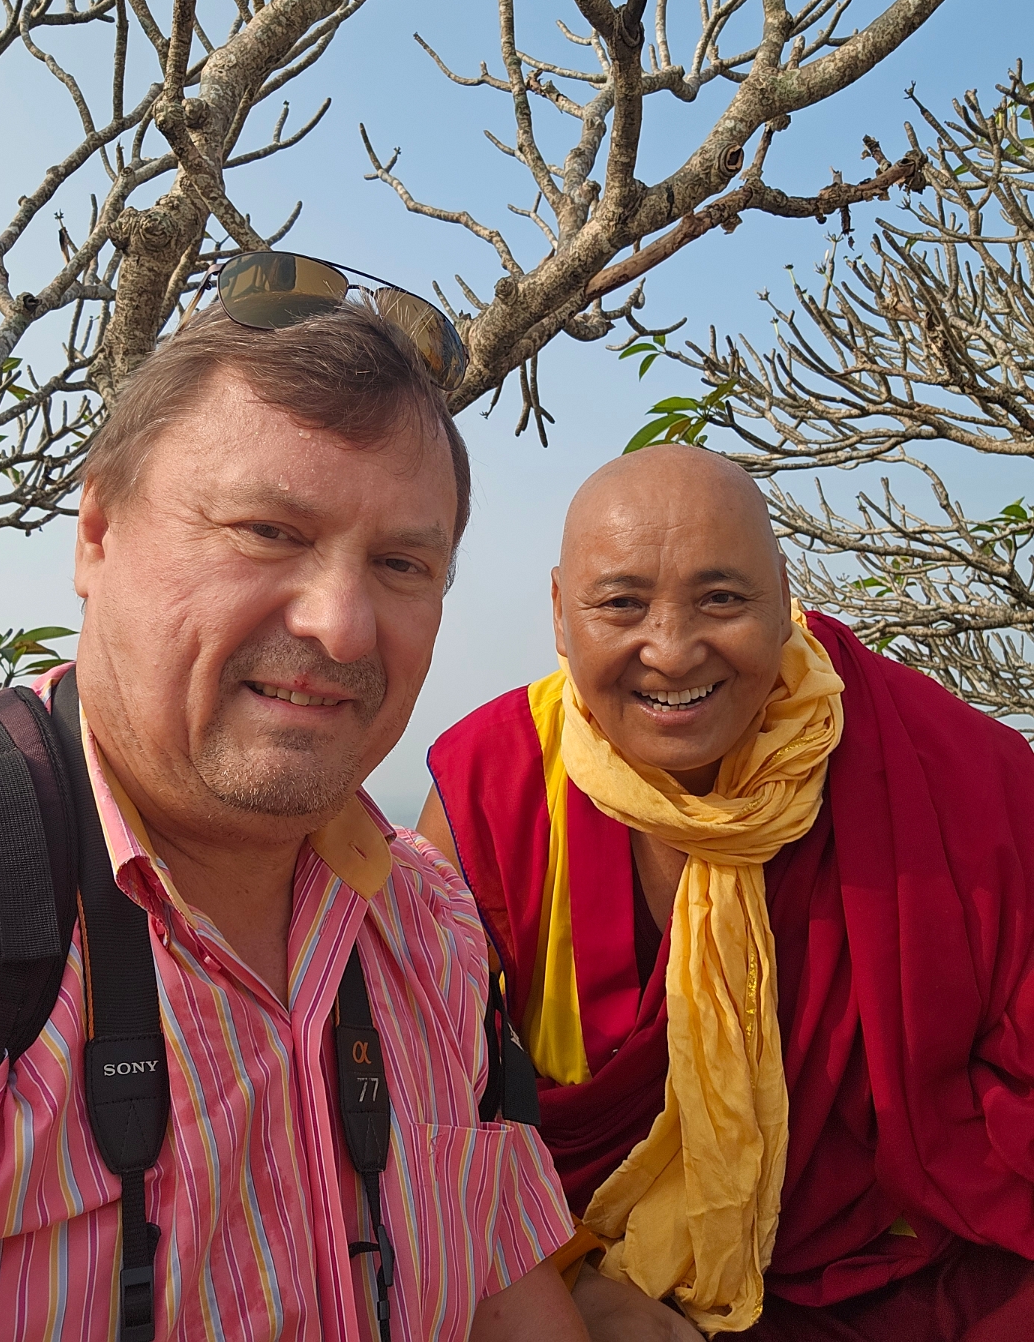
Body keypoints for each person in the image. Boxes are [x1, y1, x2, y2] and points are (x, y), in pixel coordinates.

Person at [0, 297, 585, 1340]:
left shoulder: (430, 925)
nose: (342, 626)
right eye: (269, 533)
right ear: (96, 533)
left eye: (401, 565)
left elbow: (502, 1294)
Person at [420, 444, 1034, 1341]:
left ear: (783, 596)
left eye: (720, 599)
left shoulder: (948, 771)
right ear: (558, 612)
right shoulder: (495, 786)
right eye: (620, 604)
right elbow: (423, 1109)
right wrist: (568, 1276)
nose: (671, 652)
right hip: (587, 1277)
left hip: (892, 1279)